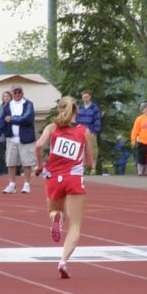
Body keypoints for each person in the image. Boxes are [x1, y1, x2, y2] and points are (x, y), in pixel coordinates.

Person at [34, 96, 93, 278]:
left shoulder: (52, 128)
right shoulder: (84, 131)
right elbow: (90, 162)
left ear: (60, 109)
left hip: (54, 178)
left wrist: (39, 165)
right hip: (74, 178)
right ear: (76, 112)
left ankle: (56, 216)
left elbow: (38, 145)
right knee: (75, 226)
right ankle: (63, 261)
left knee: (53, 211)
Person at [0, 84, 36, 193]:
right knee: (11, 162)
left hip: (26, 139)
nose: (17, 94)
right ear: (12, 93)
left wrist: (12, 119)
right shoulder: (7, 106)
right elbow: (2, 122)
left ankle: (27, 184)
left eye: (19, 92)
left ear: (22, 93)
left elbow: (27, 118)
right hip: (11, 139)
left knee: (27, 163)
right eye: (15, 92)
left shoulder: (28, 104)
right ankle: (11, 184)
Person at [76, 90, 101, 174]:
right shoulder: (80, 107)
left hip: (91, 130)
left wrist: (95, 131)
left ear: (90, 97)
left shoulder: (94, 107)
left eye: (87, 97)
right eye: (84, 97)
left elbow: (97, 119)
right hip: (81, 130)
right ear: (82, 98)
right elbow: (76, 119)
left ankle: (93, 167)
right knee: (81, 148)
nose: (85, 98)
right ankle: (82, 167)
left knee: (93, 148)